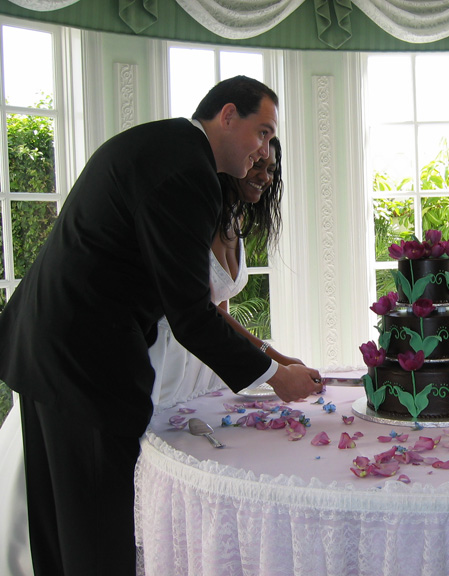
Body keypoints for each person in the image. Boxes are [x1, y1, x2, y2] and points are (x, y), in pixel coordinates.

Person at [0, 76, 321, 575]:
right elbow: (191, 315)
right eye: (261, 132)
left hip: (41, 344)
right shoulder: (188, 172)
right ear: (227, 114)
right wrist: (275, 378)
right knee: (96, 533)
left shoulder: (162, 144)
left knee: (55, 528)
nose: (264, 150)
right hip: (84, 361)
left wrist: (270, 358)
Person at [150, 136, 307, 411]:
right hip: (172, 353)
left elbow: (222, 307)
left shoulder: (238, 216)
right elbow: (206, 310)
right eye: (257, 165)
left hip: (208, 359)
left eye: (271, 170)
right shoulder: (200, 214)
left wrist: (274, 362)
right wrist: (276, 361)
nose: (264, 177)